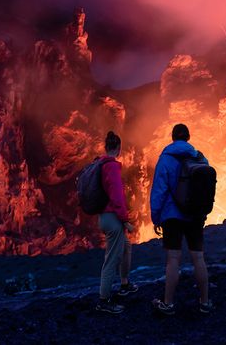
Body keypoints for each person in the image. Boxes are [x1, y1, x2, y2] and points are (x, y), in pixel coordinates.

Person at [149, 123, 212, 316]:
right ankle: (205, 302)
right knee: (198, 258)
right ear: (188, 138)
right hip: (194, 215)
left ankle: (168, 304)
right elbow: (206, 189)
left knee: (173, 259)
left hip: (172, 217)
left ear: (173, 138)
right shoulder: (200, 157)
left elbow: (159, 191)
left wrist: (156, 217)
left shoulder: (166, 159)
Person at [95, 131, 138, 314]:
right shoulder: (111, 167)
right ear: (119, 149)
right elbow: (117, 198)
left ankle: (124, 284)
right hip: (112, 219)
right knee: (111, 260)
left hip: (105, 217)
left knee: (126, 246)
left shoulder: (100, 164)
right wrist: (125, 220)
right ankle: (104, 301)